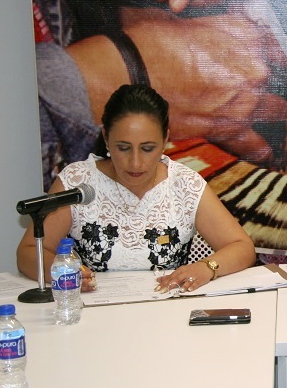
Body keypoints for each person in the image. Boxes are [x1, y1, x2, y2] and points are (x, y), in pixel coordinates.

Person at [17, 84, 256, 293]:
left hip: (166, 313)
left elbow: (242, 247)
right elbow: (28, 252)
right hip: (92, 314)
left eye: (147, 148)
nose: (135, 163)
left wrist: (207, 267)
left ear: (165, 140)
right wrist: (63, 273)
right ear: (106, 138)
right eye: (123, 148)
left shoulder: (184, 184)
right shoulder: (78, 181)